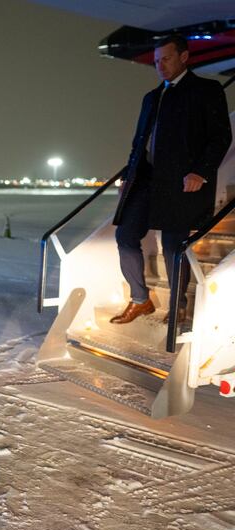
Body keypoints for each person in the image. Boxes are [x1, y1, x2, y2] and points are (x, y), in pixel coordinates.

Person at [110, 35, 232, 325]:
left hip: (181, 182)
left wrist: (201, 172)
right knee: (125, 236)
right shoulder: (151, 98)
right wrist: (128, 176)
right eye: (156, 61)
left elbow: (221, 136)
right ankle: (141, 300)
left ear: (184, 57)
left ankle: (177, 306)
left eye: (166, 59)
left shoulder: (206, 90)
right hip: (146, 180)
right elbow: (139, 142)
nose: (160, 66)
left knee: (173, 244)